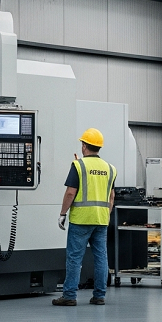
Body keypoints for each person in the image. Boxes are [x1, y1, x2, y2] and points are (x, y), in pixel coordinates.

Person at [53, 128, 117, 306]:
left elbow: (70, 193)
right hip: (101, 220)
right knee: (101, 258)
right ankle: (99, 295)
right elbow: (112, 196)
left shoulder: (78, 166)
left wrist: (62, 214)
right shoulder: (110, 168)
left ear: (83, 146)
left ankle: (69, 296)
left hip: (81, 220)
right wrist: (106, 213)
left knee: (74, 258)